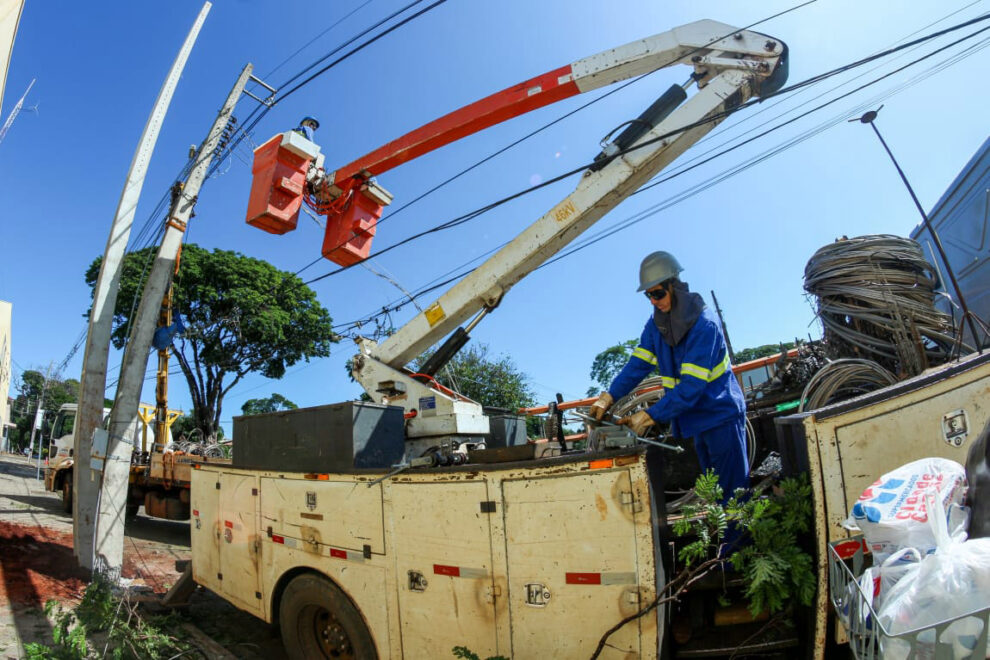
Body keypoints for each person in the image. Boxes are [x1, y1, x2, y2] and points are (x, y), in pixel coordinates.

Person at [589, 250, 748, 506]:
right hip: (697, 419)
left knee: (733, 493)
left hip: (720, 416)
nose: (654, 301)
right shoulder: (657, 326)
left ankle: (739, 545)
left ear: (675, 286)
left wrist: (648, 416)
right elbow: (637, 365)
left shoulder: (703, 325)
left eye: (659, 293)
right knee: (716, 494)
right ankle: (729, 543)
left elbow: (692, 387)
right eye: (649, 295)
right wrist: (608, 397)